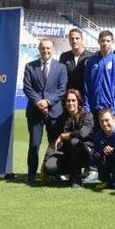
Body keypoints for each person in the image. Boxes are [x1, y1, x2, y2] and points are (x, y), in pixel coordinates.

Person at [22, 38, 67, 182]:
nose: (45, 51)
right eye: (43, 48)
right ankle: (31, 174)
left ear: (53, 49)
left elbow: (61, 90)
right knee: (34, 145)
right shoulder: (30, 66)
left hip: (55, 112)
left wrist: (47, 102)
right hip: (35, 112)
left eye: (48, 48)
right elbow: (27, 88)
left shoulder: (61, 68)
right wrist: (38, 102)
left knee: (55, 144)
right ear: (38, 49)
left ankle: (54, 172)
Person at [43, 89, 94, 188]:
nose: (71, 103)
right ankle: (68, 173)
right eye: (68, 100)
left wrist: (66, 135)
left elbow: (83, 133)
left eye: (73, 100)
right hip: (67, 154)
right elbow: (54, 142)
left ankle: (77, 177)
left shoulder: (87, 115)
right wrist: (44, 164)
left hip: (86, 153)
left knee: (74, 142)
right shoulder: (61, 119)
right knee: (49, 167)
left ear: (79, 102)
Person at [84, 30, 115, 129]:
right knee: (95, 137)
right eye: (102, 40)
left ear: (112, 42)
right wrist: (86, 105)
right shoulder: (91, 61)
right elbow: (86, 84)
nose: (105, 43)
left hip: (109, 108)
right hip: (94, 107)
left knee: (110, 136)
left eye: (108, 41)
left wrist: (114, 107)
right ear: (98, 41)